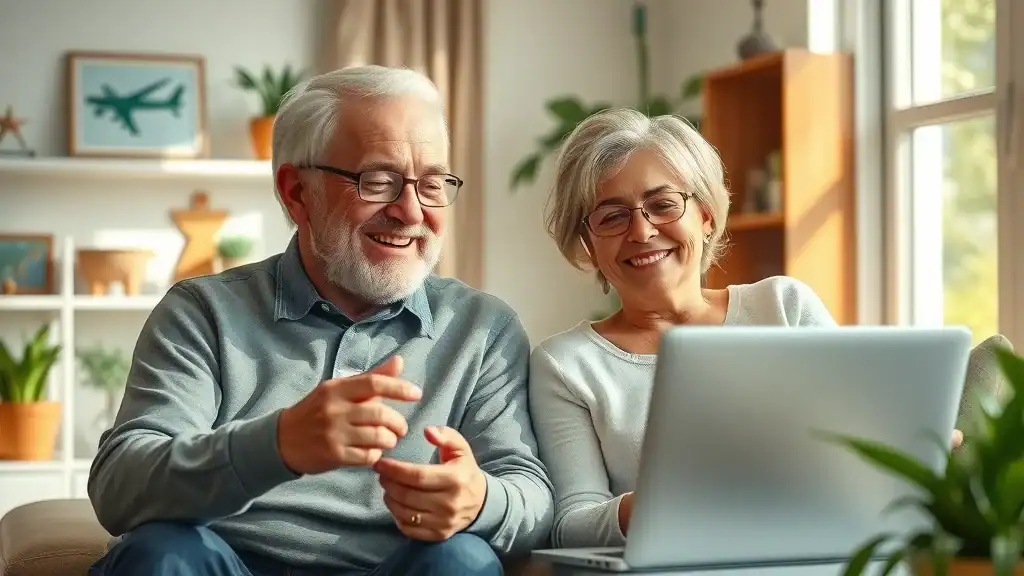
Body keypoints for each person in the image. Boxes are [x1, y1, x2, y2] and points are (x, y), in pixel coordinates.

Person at [86, 65, 554, 576]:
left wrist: (479, 499)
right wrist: (279, 443)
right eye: (378, 181)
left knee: (463, 560)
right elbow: (120, 484)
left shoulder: (483, 329)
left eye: (433, 183)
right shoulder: (203, 313)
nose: (412, 212)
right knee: (163, 553)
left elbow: (532, 495)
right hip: (226, 565)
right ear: (297, 192)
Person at [528, 107, 962, 550]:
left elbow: (858, 444)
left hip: (816, 549)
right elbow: (572, 523)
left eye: (662, 205)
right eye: (611, 216)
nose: (641, 231)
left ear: (706, 216)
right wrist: (678, 494)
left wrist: (911, 441)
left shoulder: (782, 307)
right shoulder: (564, 364)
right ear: (587, 242)